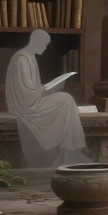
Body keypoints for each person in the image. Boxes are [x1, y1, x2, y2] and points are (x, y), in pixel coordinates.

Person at [5, 29, 88, 167]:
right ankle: (71, 150)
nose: (45, 48)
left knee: (65, 100)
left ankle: (70, 150)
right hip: (26, 105)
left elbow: (32, 87)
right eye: (44, 44)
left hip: (31, 100)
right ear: (36, 42)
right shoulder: (22, 59)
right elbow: (26, 93)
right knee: (66, 100)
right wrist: (46, 89)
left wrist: (45, 88)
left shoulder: (29, 57)